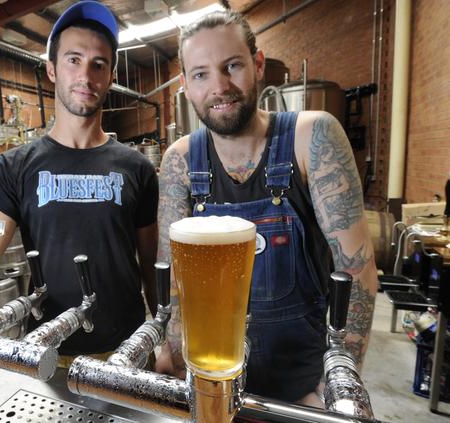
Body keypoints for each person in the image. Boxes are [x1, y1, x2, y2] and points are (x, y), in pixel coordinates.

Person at [0, 1, 159, 361]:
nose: (86, 76)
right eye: (73, 59)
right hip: (47, 354)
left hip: (127, 351)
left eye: (98, 64)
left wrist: (164, 340)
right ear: (52, 69)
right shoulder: (14, 167)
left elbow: (150, 267)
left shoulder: (137, 168)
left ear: (111, 75)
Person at [155, 10, 377, 406]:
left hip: (302, 386)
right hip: (214, 383)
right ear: (187, 86)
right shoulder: (180, 160)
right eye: (201, 74)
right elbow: (174, 278)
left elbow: (357, 272)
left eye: (232, 66)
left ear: (258, 66)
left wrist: (333, 388)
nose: (220, 86)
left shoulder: (313, 137)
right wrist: (176, 360)